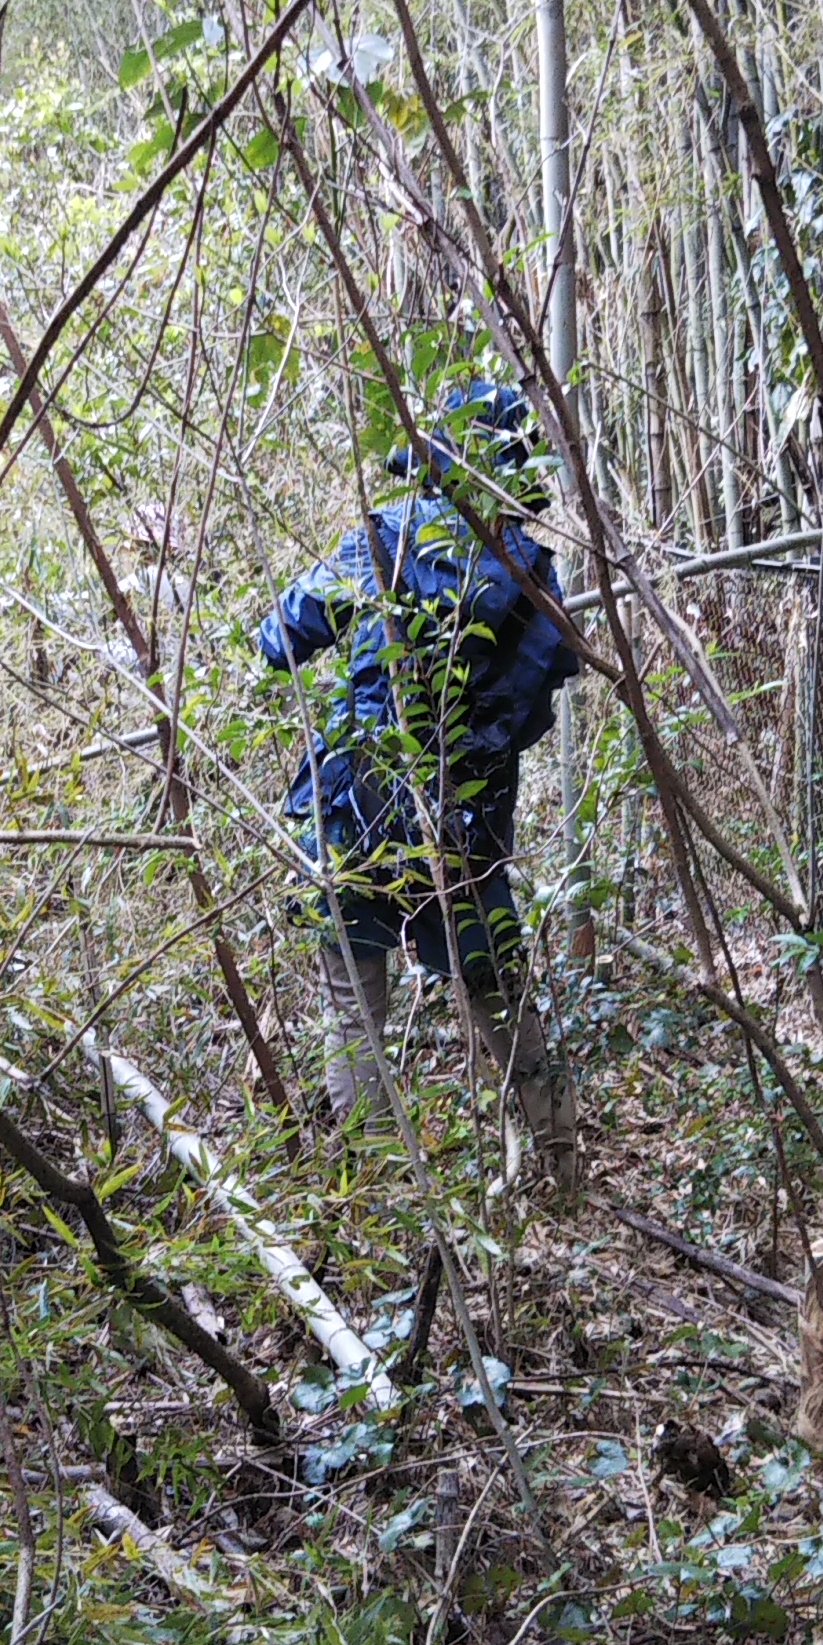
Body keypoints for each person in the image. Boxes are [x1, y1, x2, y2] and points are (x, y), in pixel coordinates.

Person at [257, 380, 583, 1190]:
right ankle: (559, 1170)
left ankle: (374, 1206)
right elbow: (541, 695)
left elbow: (279, 639)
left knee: (355, 1013)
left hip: (355, 810)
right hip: (461, 826)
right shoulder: (529, 568)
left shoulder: (384, 539)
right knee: (497, 992)